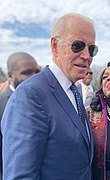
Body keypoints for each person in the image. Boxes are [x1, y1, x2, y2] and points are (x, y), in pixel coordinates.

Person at [1, 13, 98, 179]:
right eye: (77, 45)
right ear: (55, 46)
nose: (87, 56)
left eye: (91, 49)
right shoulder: (30, 95)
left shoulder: (74, 91)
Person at [0, 51, 39, 179]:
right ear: (10, 76)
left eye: (37, 72)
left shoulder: (40, 99)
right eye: (26, 72)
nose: (34, 77)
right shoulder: (3, 104)